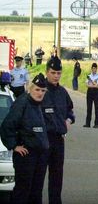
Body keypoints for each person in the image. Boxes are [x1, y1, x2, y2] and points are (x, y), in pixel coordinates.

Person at [0, 74, 49, 204]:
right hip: (26, 155)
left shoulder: (41, 104)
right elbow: (7, 126)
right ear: (30, 89)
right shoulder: (22, 103)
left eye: (43, 90)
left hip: (40, 155)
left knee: (36, 192)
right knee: (22, 192)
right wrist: (14, 146)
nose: (40, 93)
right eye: (37, 89)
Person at [42, 55, 75, 204]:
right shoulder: (40, 91)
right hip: (41, 140)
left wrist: (69, 120)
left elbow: (70, 111)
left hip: (58, 141)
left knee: (56, 178)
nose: (56, 76)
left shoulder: (63, 92)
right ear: (47, 72)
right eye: (53, 73)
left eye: (58, 73)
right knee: (37, 179)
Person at [84, 63, 98, 128]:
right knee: (89, 108)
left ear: (96, 69)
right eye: (93, 68)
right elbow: (86, 85)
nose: (94, 70)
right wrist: (93, 85)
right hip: (89, 92)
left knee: (97, 108)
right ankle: (87, 123)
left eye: (95, 68)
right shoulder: (89, 76)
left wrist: (91, 84)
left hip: (96, 93)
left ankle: (96, 124)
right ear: (91, 69)